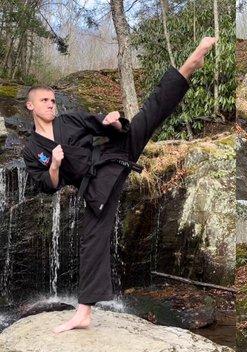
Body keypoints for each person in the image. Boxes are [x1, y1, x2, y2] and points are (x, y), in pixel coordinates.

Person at [22, 37, 216, 334]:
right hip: (96, 187)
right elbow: (47, 186)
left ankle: (191, 63)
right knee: (91, 242)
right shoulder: (30, 148)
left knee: (150, 113)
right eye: (45, 100)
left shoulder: (69, 120)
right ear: (30, 105)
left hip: (113, 154)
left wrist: (113, 122)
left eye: (53, 100)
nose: (51, 104)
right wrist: (55, 165)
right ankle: (84, 312)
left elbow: (102, 126)